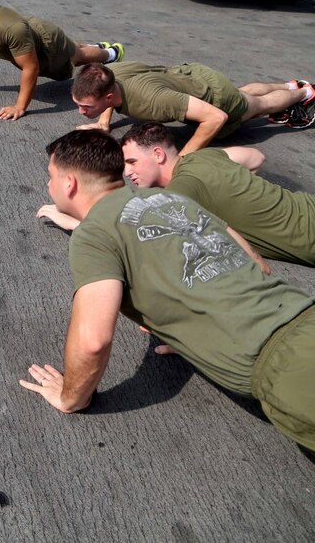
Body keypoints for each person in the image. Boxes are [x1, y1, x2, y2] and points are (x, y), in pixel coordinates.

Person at [21, 129, 315, 452]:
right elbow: (256, 263)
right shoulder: (173, 198)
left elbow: (93, 342)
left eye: (50, 176)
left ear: (69, 183)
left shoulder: (92, 235)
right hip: (302, 311)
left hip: (286, 365)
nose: (48, 185)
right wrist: (194, 326)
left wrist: (70, 396)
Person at [38, 122, 315, 267]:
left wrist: (73, 222)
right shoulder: (205, 158)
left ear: (158, 154)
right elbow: (256, 158)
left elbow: (133, 238)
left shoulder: (179, 193)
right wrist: (238, 192)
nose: (127, 172)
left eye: (132, 162)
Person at [71, 63, 315, 154]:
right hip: (193, 77)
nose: (81, 111)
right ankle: (289, 84)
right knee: (246, 93)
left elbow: (215, 117)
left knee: (259, 105)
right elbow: (106, 96)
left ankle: (304, 93)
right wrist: (103, 122)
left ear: (109, 96)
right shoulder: (111, 75)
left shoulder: (154, 100)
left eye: (85, 107)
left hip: (216, 98)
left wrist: (182, 160)